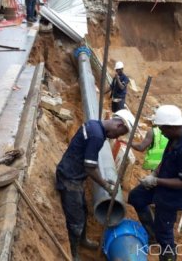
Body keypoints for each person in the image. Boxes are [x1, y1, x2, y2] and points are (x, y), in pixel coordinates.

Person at [56, 110, 135, 261]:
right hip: (69, 178)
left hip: (74, 174)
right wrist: (105, 185)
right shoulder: (97, 136)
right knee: (76, 220)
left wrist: (104, 180)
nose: (117, 137)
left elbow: (90, 161)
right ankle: (73, 252)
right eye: (120, 133)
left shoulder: (94, 125)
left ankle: (83, 240)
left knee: (84, 211)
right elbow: (89, 167)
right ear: (118, 125)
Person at [128, 105, 182, 261]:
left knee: (165, 234)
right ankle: (152, 234)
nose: (160, 131)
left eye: (163, 128)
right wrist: (155, 172)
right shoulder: (176, 136)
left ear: (173, 127)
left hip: (174, 195)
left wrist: (156, 180)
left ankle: (167, 255)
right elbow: (167, 158)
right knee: (136, 197)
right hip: (163, 181)